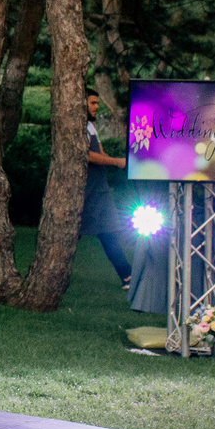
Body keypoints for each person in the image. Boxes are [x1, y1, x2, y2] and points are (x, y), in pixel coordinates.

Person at [79, 89, 133, 289]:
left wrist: (119, 162)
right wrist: (117, 162)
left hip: (99, 187)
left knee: (108, 231)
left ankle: (127, 276)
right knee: (71, 234)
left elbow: (100, 153)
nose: (97, 106)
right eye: (93, 103)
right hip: (85, 188)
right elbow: (87, 155)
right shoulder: (76, 127)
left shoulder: (90, 126)